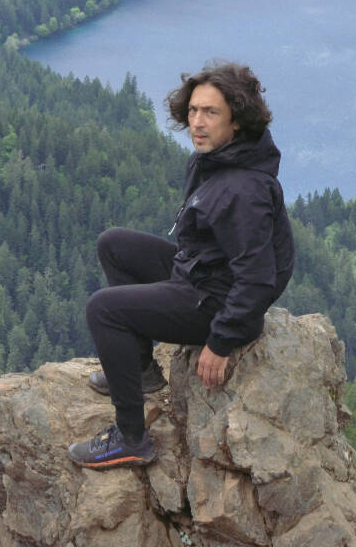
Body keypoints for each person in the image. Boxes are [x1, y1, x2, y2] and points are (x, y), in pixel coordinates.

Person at [68, 61, 295, 469]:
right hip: (201, 273)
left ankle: (131, 438)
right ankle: (141, 372)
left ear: (237, 121)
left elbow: (260, 279)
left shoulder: (244, 190)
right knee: (114, 245)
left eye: (211, 113)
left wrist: (222, 341)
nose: (197, 122)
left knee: (103, 309)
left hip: (216, 303)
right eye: (193, 111)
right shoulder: (211, 162)